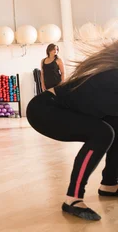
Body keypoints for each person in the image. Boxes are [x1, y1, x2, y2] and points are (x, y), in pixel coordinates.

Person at [26, 42, 118, 221]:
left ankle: (109, 184)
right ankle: (73, 199)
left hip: (55, 108)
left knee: (115, 125)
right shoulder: (113, 77)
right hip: (44, 109)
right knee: (103, 133)